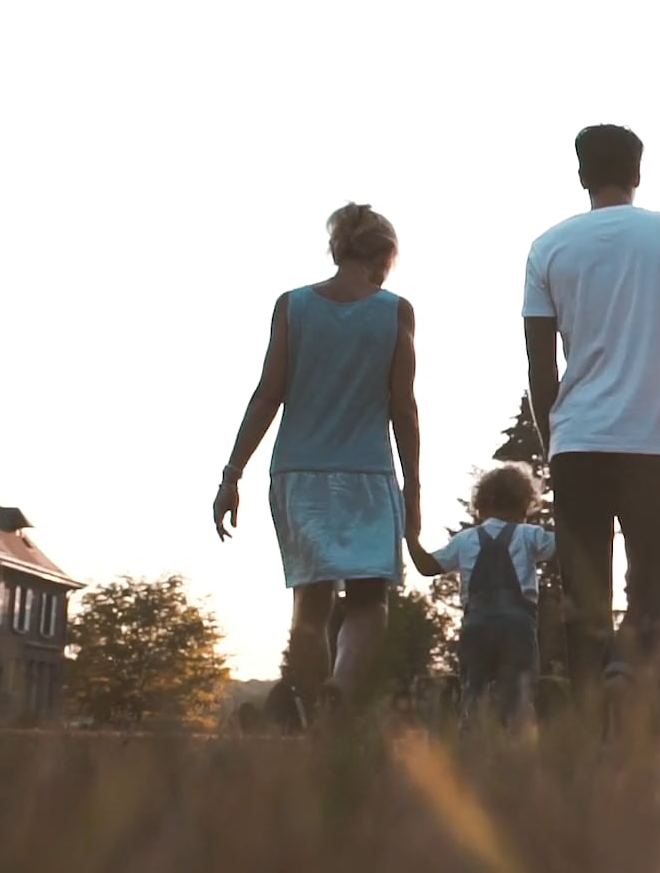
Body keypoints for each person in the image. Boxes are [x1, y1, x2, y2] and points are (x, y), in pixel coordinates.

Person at [524, 125, 660, 697]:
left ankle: (591, 712)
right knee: (654, 587)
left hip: (577, 442)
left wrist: (552, 441)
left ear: (581, 175)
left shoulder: (547, 248)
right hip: (651, 442)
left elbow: (541, 366)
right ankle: (629, 681)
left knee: (584, 594)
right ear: (638, 173)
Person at [212, 203, 421, 728]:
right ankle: (340, 691)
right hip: (367, 475)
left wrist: (232, 474)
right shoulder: (395, 312)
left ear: (336, 248)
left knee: (311, 600)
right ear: (384, 256)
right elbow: (403, 407)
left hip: (298, 473)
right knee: (369, 600)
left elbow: (267, 395)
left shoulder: (293, 306)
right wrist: (413, 487)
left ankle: (314, 722)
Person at [408, 463, 556, 730]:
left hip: (476, 625)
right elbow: (564, 546)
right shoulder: (529, 534)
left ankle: (471, 739)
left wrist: (411, 537)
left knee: (474, 691)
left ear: (481, 506)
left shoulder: (465, 540)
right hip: (518, 626)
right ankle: (517, 740)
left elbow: (427, 567)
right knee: (519, 692)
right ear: (524, 506)